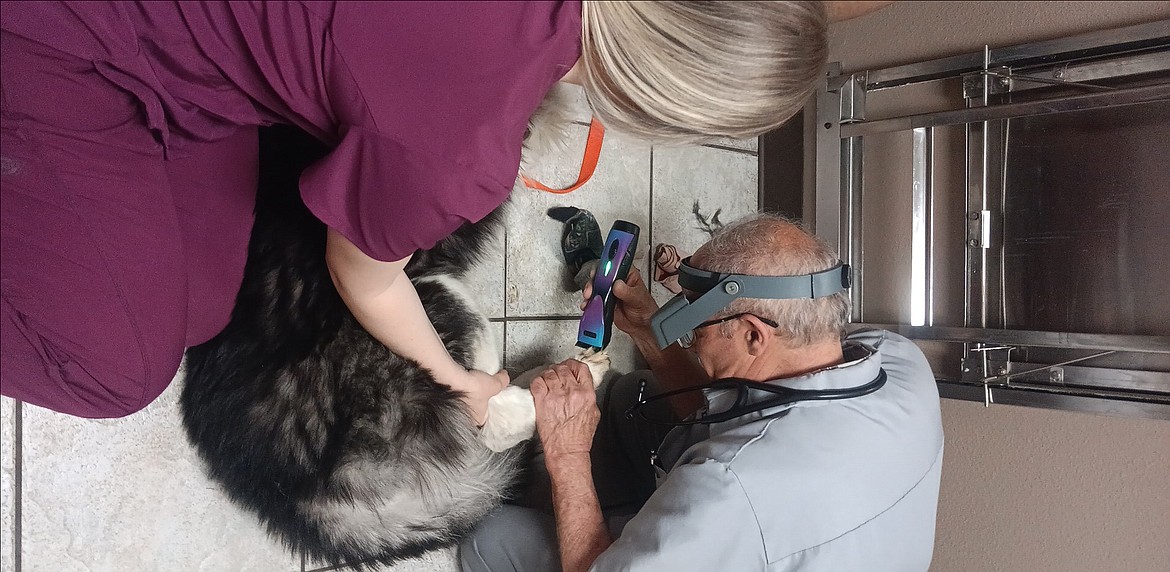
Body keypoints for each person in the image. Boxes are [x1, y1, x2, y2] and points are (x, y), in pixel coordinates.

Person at [0, 1, 853, 421]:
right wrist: (465, 382)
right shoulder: (463, 149)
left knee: (200, 301)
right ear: (662, 100)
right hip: (59, 34)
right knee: (115, 373)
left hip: (198, 57)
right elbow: (362, 277)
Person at [460, 214, 944, 571]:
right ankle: (625, 515)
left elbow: (737, 490)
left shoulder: (732, 489)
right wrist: (653, 333)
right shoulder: (900, 361)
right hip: (762, 523)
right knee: (635, 397)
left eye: (696, 324)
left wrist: (569, 455)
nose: (687, 334)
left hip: (740, 526)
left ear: (754, 334)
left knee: (488, 538)